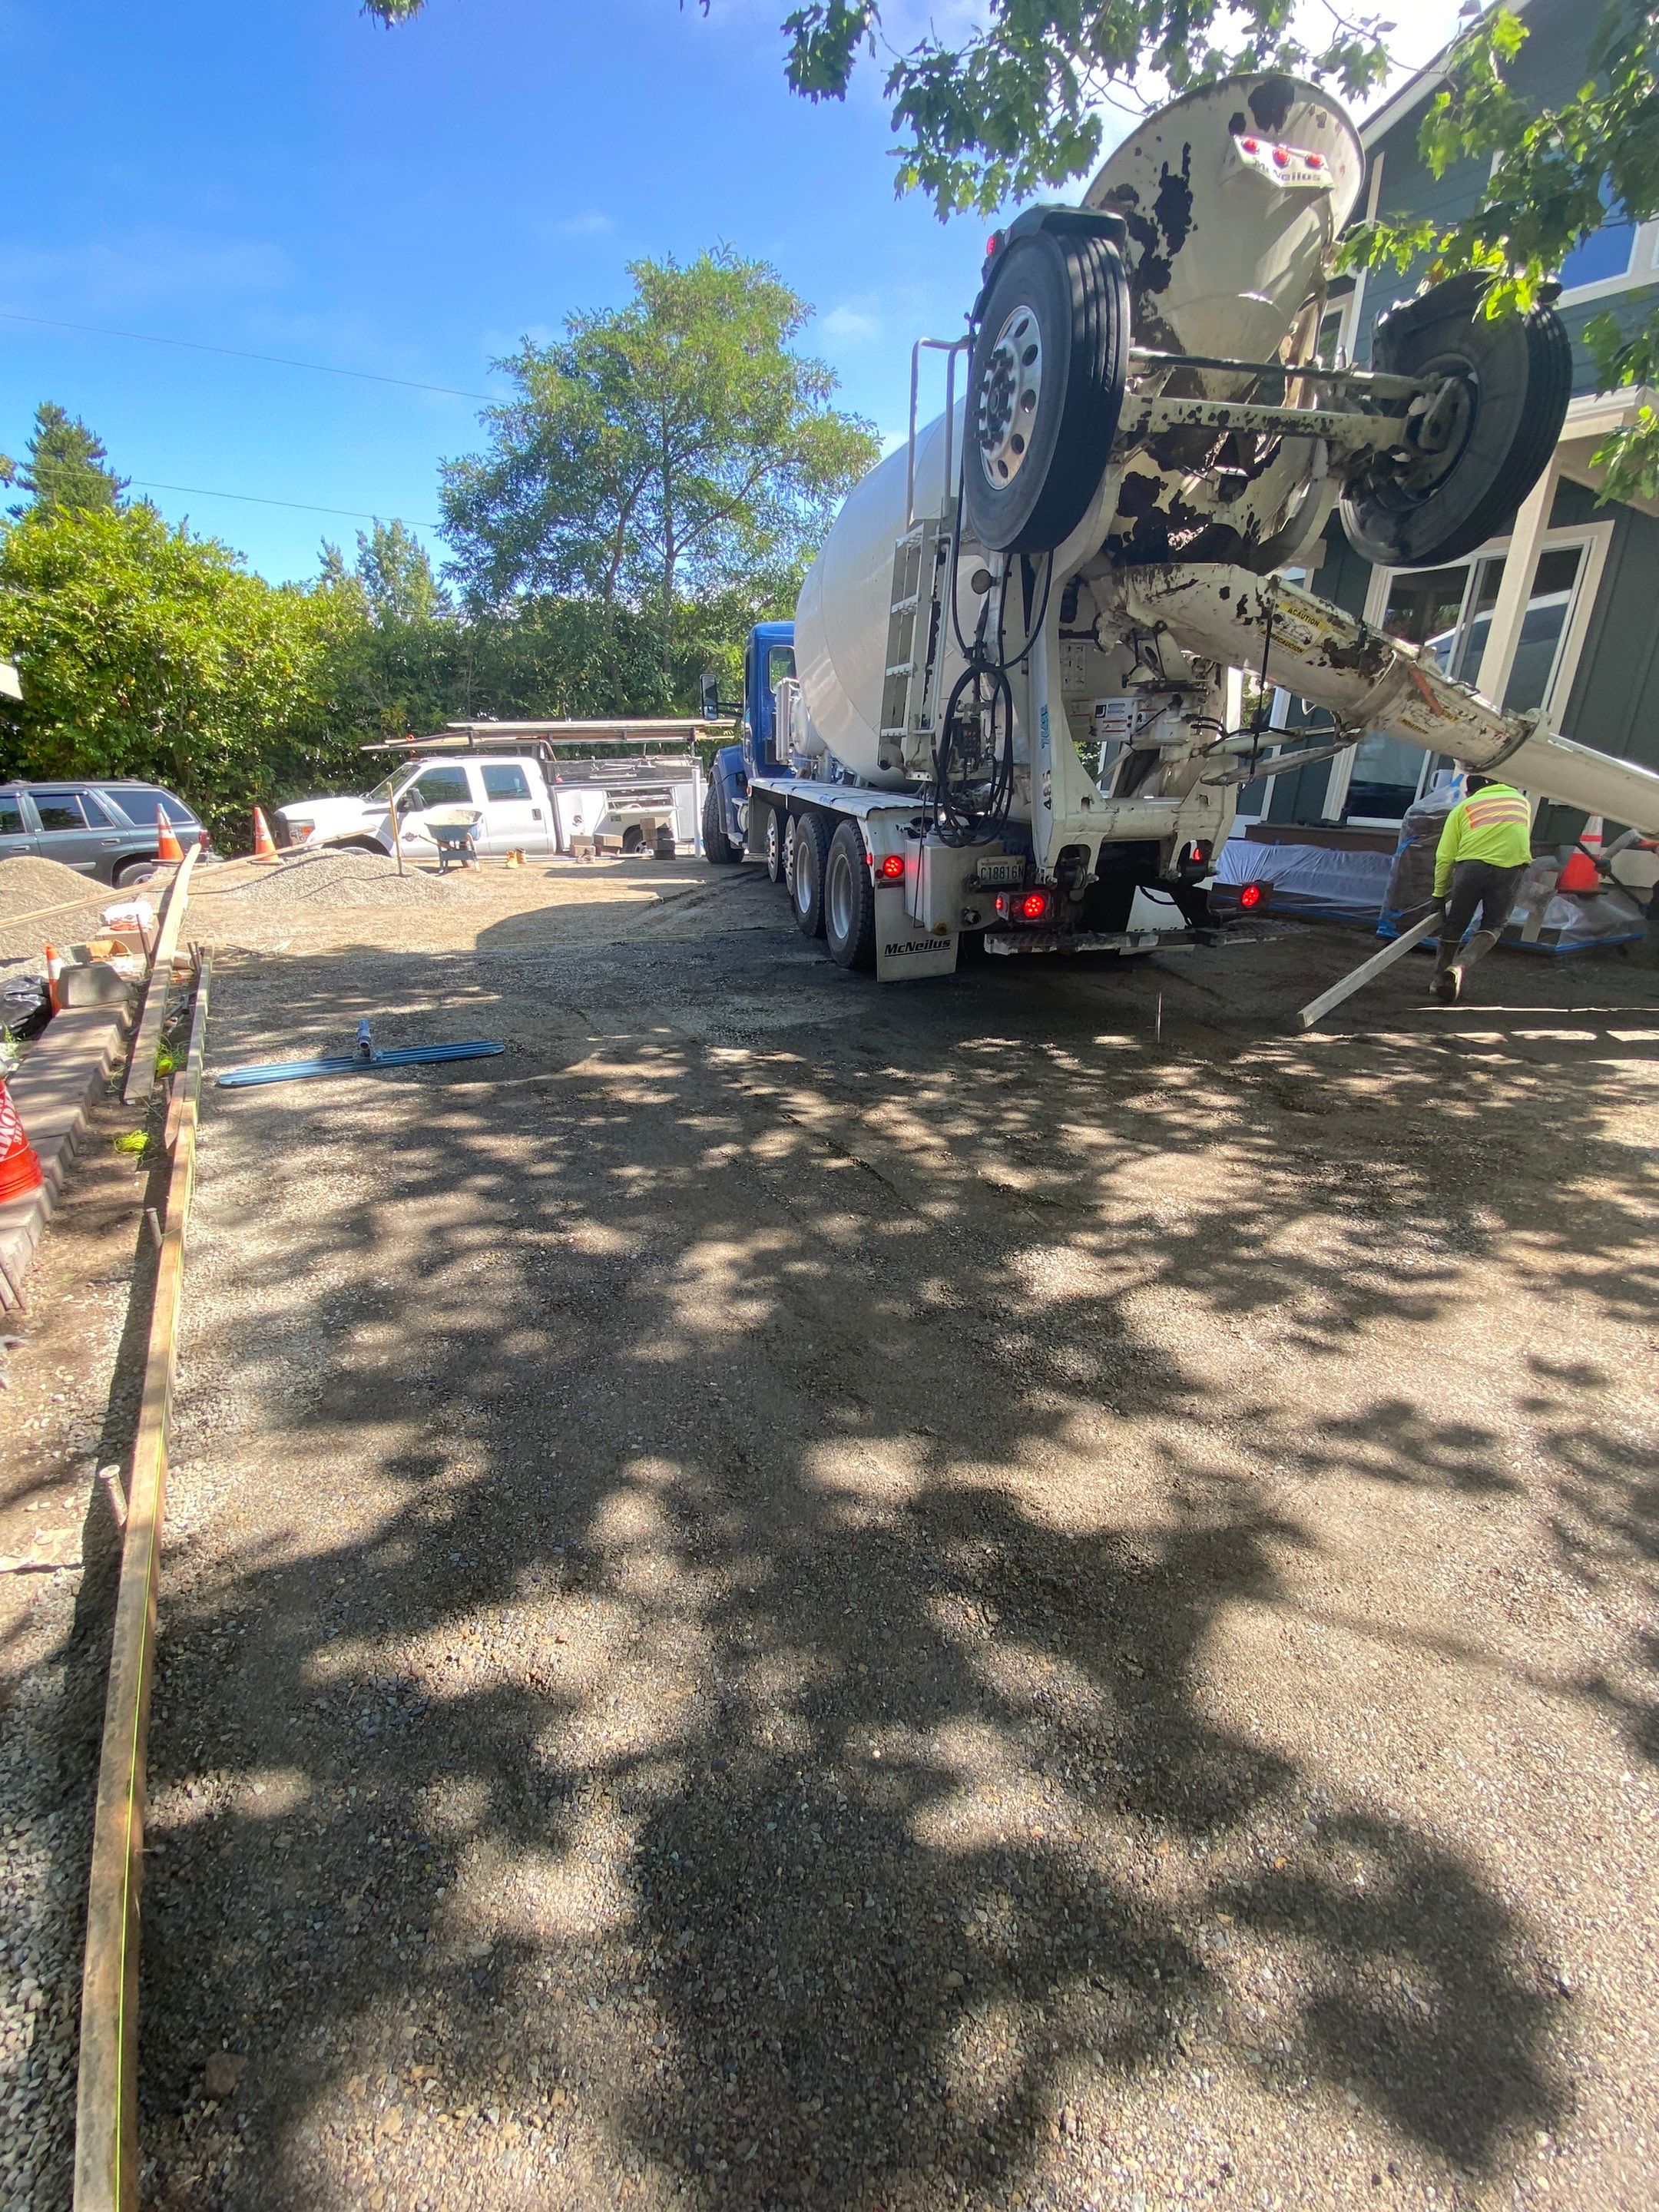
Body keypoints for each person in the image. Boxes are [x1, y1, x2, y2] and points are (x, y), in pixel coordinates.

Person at [1429, 772, 1535, 1002]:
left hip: (1471, 867)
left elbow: (1445, 856)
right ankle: (1459, 967)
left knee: (1456, 923)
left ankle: (1439, 980)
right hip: (1511, 868)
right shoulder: (1521, 803)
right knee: (1493, 925)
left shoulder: (1464, 807)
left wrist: (1438, 895)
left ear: (1469, 792)